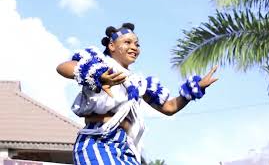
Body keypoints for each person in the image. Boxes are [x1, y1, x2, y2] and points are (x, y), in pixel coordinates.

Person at [56, 23, 218, 165]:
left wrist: (193, 90)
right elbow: (63, 67)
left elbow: (169, 107)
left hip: (126, 148)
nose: (134, 47)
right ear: (112, 46)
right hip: (98, 141)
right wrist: (98, 76)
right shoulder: (99, 63)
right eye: (127, 42)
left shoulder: (138, 82)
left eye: (137, 44)